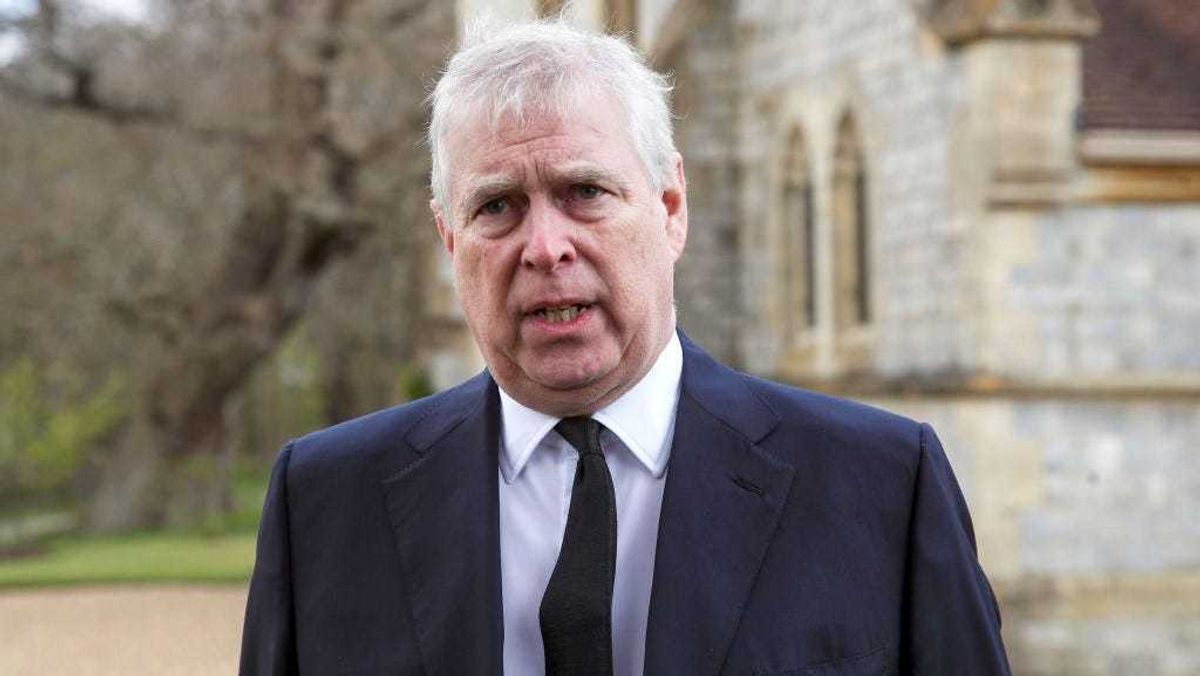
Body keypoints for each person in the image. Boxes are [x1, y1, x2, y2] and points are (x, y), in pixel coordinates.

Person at [240, 20, 1011, 676]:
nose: (545, 247)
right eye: (498, 206)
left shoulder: (880, 487)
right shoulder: (325, 505)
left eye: (585, 192)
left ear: (670, 209)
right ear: (450, 240)